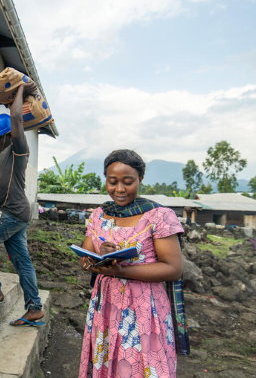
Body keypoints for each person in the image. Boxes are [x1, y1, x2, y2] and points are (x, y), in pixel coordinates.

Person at [78, 149, 184, 377]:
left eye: (128, 182)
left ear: (140, 179)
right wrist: (99, 257)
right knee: (108, 361)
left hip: (145, 307)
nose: (119, 189)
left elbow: (174, 269)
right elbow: (85, 258)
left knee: (142, 365)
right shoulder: (99, 215)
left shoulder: (158, 216)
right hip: (106, 303)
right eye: (112, 181)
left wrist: (121, 272)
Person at [0, 83, 45, 327]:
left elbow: (15, 117)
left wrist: (20, 91)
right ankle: (34, 308)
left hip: (12, 212)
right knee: (22, 261)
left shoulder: (17, 148)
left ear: (4, 135)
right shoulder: (0, 149)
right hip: (14, 212)